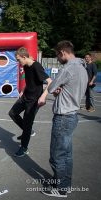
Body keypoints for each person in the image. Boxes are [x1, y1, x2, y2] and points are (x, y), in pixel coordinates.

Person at [41, 41, 88, 198]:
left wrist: (56, 89)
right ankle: (64, 184)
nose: (57, 58)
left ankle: (61, 188)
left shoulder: (68, 68)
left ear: (62, 52)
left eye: (57, 54)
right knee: (66, 153)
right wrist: (62, 89)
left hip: (63, 116)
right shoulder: (82, 68)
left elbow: (52, 87)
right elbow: (66, 87)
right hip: (73, 114)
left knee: (57, 154)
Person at [8, 47, 52, 157]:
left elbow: (50, 81)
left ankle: (24, 147)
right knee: (12, 113)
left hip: (33, 101)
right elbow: (29, 81)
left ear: (24, 57)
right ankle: (28, 132)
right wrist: (23, 90)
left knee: (27, 124)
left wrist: (43, 96)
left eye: (18, 60)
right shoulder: (26, 66)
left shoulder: (36, 66)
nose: (18, 62)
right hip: (25, 97)